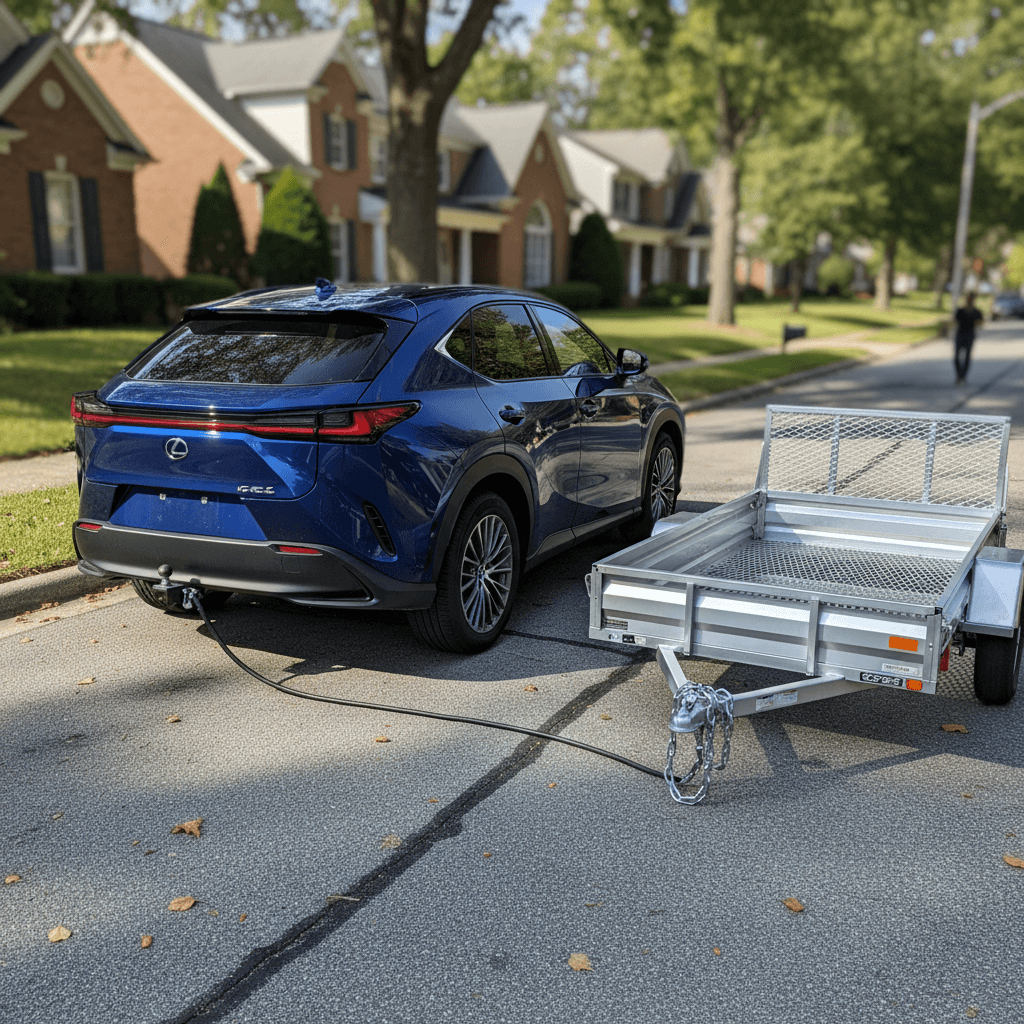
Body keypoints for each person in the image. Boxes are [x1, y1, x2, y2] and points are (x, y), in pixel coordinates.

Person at [953, 291, 983, 384]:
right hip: (960, 334)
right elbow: (955, 322)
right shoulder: (960, 311)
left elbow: (980, 323)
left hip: (970, 335)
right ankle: (959, 375)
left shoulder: (977, 312)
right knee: (957, 357)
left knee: (967, 357)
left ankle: (963, 376)